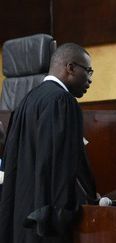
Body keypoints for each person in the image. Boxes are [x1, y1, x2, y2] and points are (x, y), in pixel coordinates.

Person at [0, 43, 97, 242]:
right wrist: (91, 199)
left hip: (21, 214)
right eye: (88, 71)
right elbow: (65, 167)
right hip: (47, 222)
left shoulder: (27, 100)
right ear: (70, 68)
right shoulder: (63, 101)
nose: (90, 80)